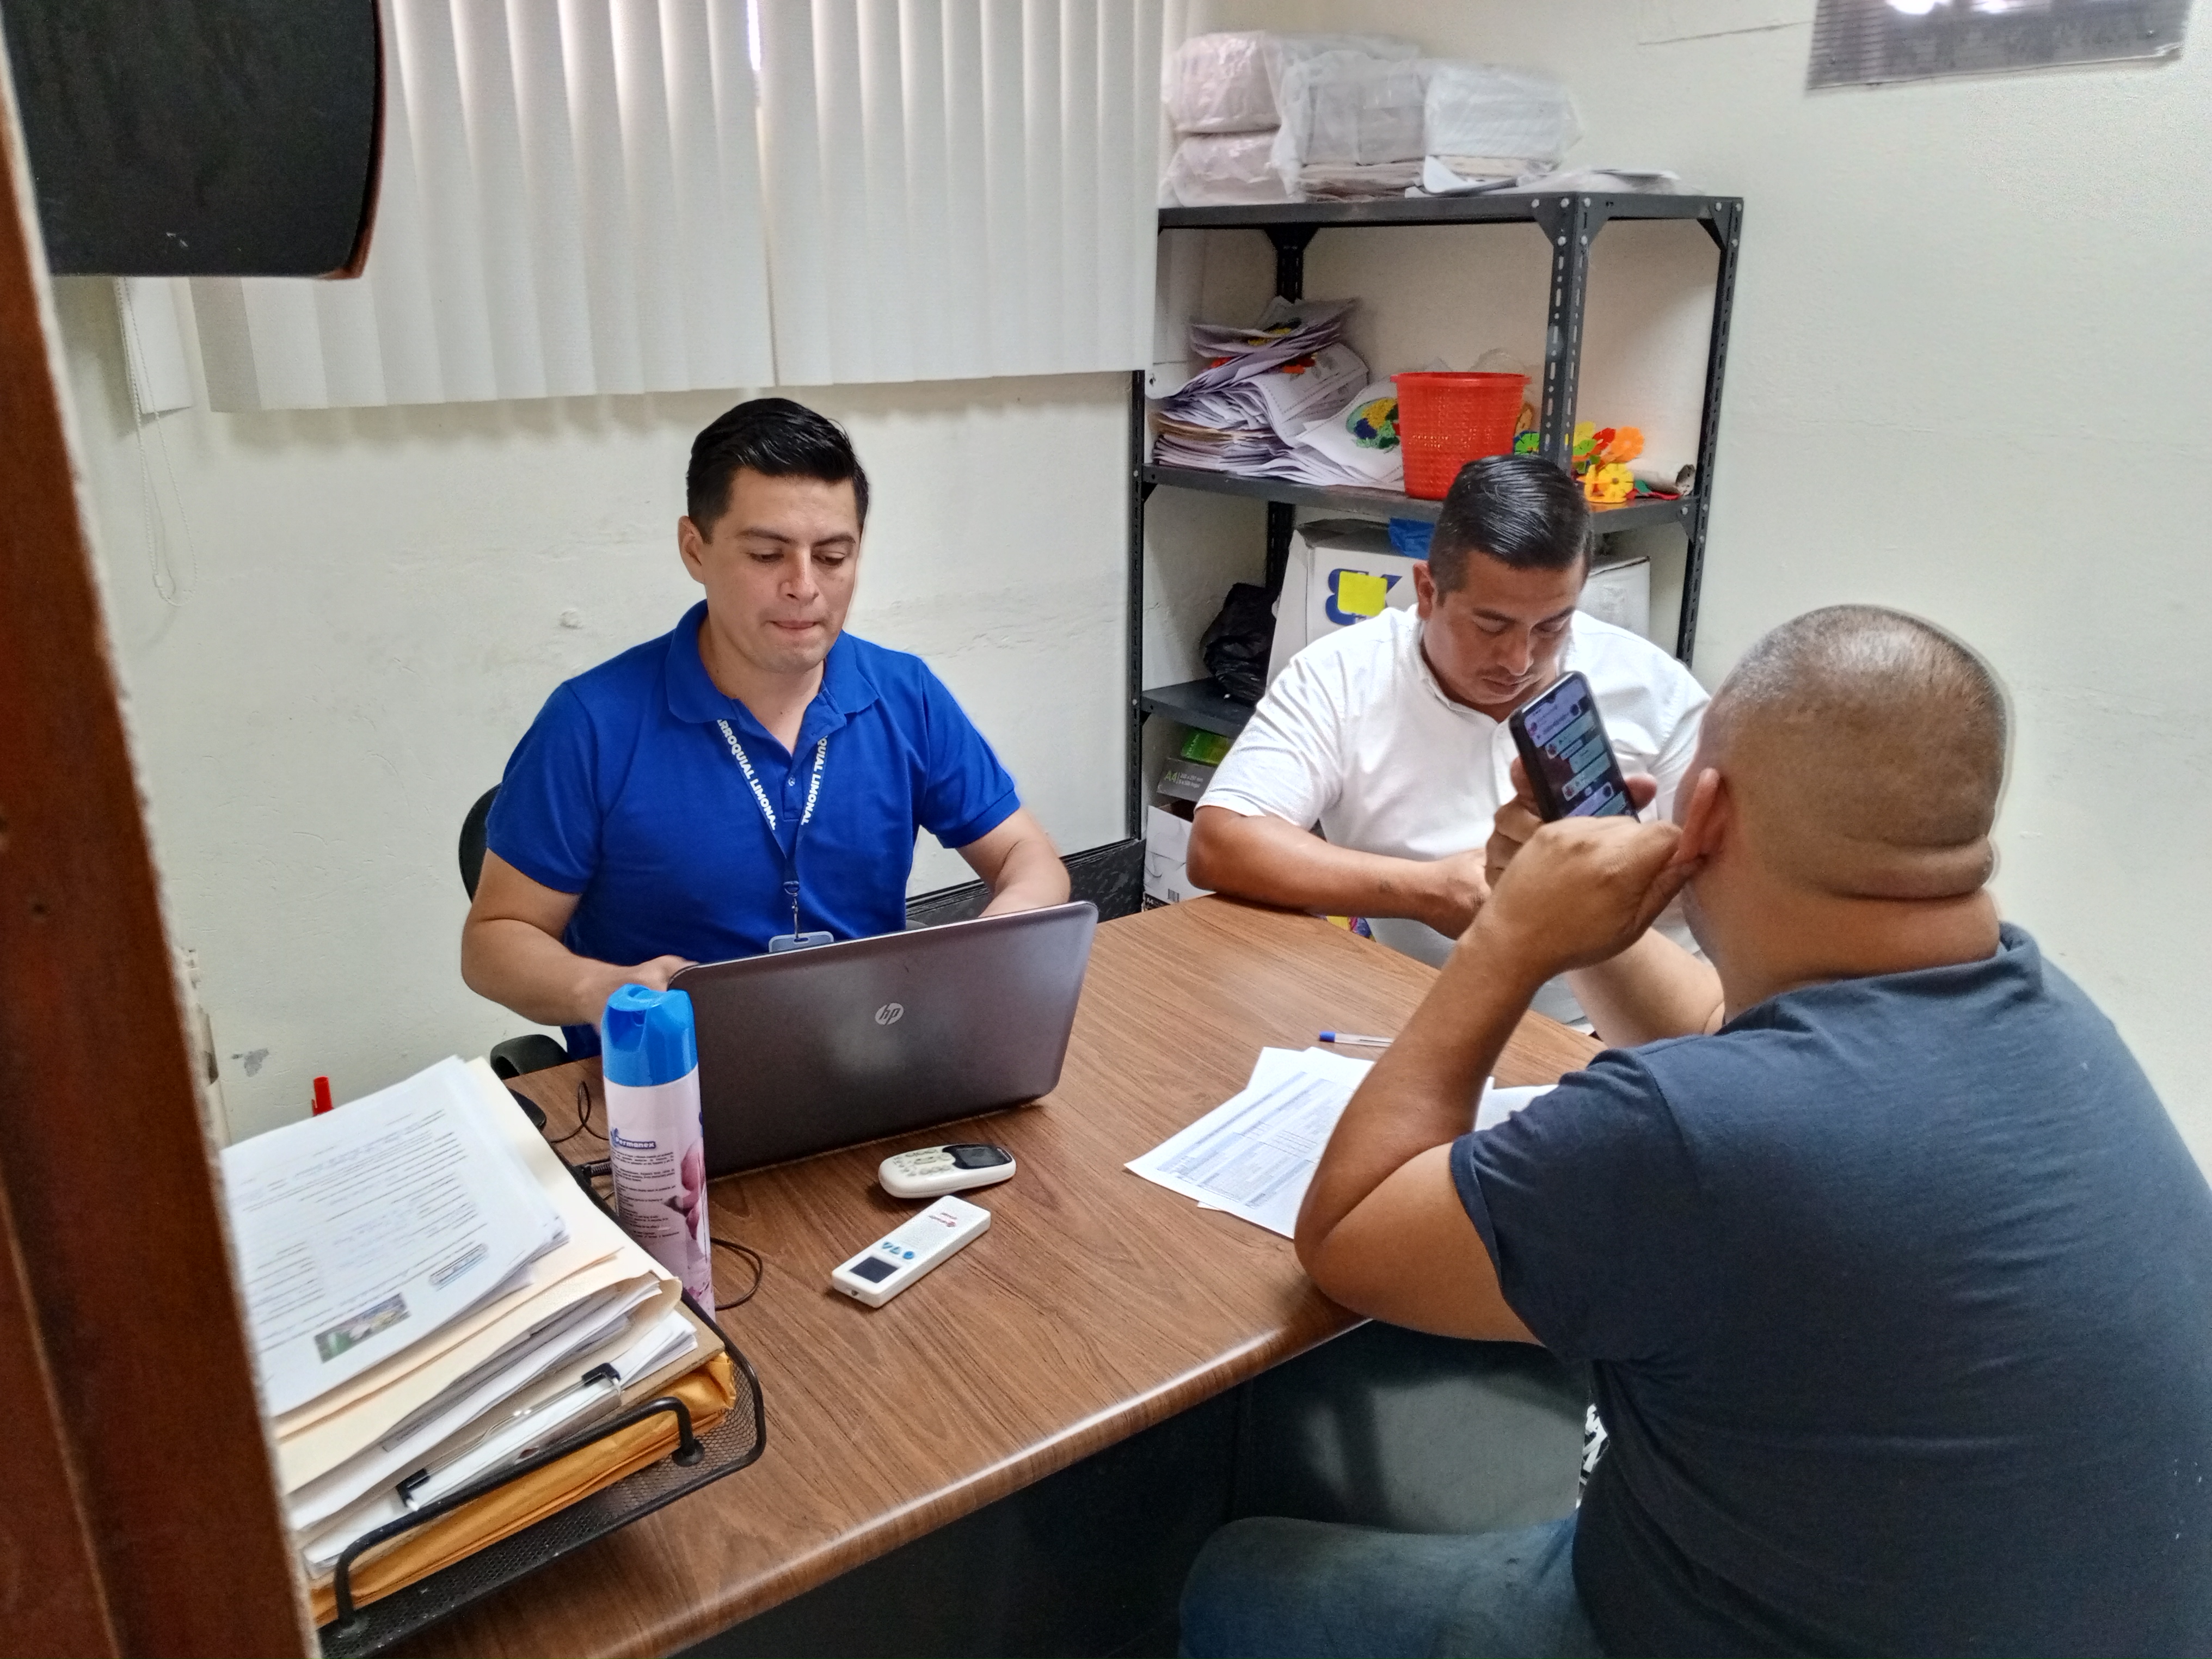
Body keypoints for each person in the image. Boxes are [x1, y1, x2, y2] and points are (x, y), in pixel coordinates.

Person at [1181, 606, 2212, 1659]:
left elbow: (1350, 1230)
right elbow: (1730, 1032)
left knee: (1237, 1575)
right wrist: (1576, 915)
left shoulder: (1694, 1134)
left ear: (1705, 807)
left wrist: (1510, 938)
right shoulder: (2046, 1010)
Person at [462, 398, 1069, 1056]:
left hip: (869, 1058)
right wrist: (600, 988)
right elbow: (494, 942)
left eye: (832, 557)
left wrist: (991, 942)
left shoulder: (904, 694)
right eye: (766, 555)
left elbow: (1028, 857)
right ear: (695, 549)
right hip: (669, 1077)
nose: (803, 587)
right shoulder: (592, 724)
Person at [1186, 454, 1706, 1023]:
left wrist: (1623, 883)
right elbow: (1220, 844)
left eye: (1552, 625)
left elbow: (1732, 884)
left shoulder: (1650, 687)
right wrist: (1428, 892)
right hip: (1428, 1012)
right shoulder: (1343, 675)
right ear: (1427, 591)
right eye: (1491, 625)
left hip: (1627, 1031)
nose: (1519, 660)